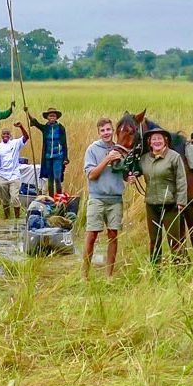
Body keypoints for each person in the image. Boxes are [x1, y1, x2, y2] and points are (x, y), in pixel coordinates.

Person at [127, 125, 187, 266]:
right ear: (149, 142)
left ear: (165, 140)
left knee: (174, 241)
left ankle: (180, 270)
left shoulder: (174, 157)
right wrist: (131, 177)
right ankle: (155, 271)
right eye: (154, 139)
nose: (157, 141)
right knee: (154, 240)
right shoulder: (144, 159)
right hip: (151, 205)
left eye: (160, 138)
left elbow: (181, 180)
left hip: (170, 205)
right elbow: (134, 170)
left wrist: (181, 202)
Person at [82, 117, 125, 279]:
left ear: (113, 130)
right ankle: (84, 274)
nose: (106, 133)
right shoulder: (92, 149)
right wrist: (107, 159)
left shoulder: (119, 148)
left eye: (108, 129)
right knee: (91, 235)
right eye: (103, 130)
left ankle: (109, 275)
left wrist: (131, 177)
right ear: (98, 132)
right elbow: (91, 175)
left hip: (115, 199)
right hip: (97, 198)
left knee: (113, 235)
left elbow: (125, 174)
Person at [27, 106, 68, 196]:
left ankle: (59, 198)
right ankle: (51, 198)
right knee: (50, 179)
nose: (52, 118)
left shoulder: (61, 128)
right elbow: (35, 123)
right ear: (47, 118)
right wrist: (28, 113)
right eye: (50, 116)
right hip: (48, 156)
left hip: (58, 156)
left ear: (56, 117)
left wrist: (65, 157)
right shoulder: (45, 128)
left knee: (57, 178)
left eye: (53, 116)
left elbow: (64, 143)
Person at [0, 122, 29, 219]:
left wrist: (21, 127)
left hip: (14, 175)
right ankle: (7, 218)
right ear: (1, 136)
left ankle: (17, 218)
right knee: (5, 199)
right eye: (4, 134)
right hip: (2, 176)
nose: (6, 135)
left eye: (7, 134)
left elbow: (26, 137)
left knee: (14, 197)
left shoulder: (15, 143)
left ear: (10, 135)